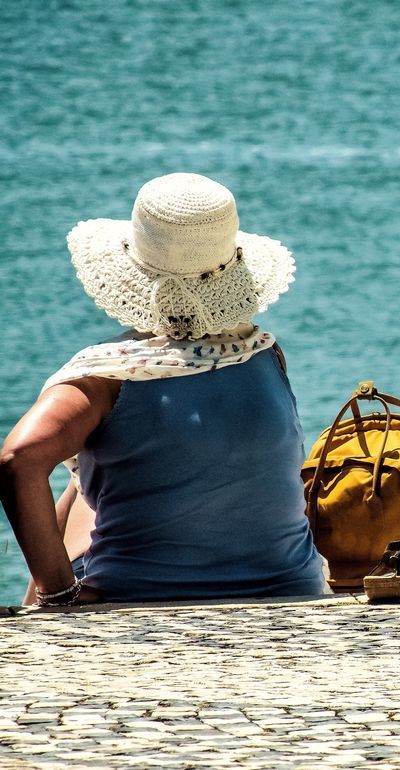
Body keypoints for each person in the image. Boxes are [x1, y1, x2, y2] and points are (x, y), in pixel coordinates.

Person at [0, 173, 327, 606]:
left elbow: (19, 459)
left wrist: (58, 592)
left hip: (138, 596)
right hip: (287, 587)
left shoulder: (108, 376)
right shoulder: (263, 354)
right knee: (88, 477)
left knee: (79, 485)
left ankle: (48, 611)